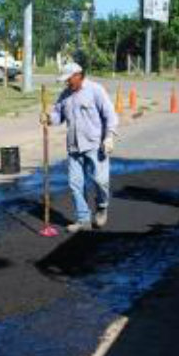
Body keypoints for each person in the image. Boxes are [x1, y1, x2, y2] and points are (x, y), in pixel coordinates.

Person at [42, 62, 118, 234]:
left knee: (100, 180)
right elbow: (58, 115)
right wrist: (48, 118)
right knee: (75, 184)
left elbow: (109, 114)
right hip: (74, 147)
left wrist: (109, 136)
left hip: (95, 144)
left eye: (68, 79)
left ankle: (102, 206)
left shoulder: (95, 90)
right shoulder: (65, 95)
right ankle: (83, 219)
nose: (66, 83)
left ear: (78, 75)